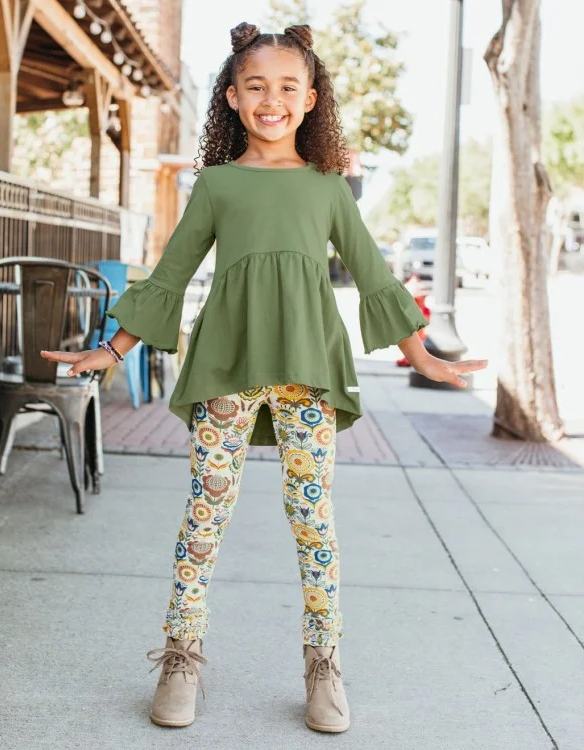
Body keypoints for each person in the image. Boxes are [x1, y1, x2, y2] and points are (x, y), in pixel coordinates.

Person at [41, 22, 487, 734]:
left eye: (286, 87)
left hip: (309, 371)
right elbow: (172, 272)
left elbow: (374, 274)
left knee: (313, 521)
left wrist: (421, 354)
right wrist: (113, 349)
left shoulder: (329, 186)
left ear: (310, 99)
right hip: (226, 364)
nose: (270, 100)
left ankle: (323, 664)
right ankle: (181, 657)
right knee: (205, 515)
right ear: (231, 96)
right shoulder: (217, 184)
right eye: (255, 86)